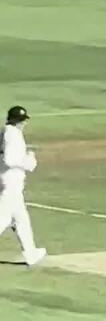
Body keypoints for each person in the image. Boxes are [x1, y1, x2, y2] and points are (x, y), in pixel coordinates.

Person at [0, 105, 46, 265]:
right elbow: (10, 160)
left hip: (8, 181)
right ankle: (30, 253)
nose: (23, 124)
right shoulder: (13, 135)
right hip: (11, 182)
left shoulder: (6, 132)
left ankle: (30, 253)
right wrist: (28, 162)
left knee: (21, 219)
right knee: (4, 219)